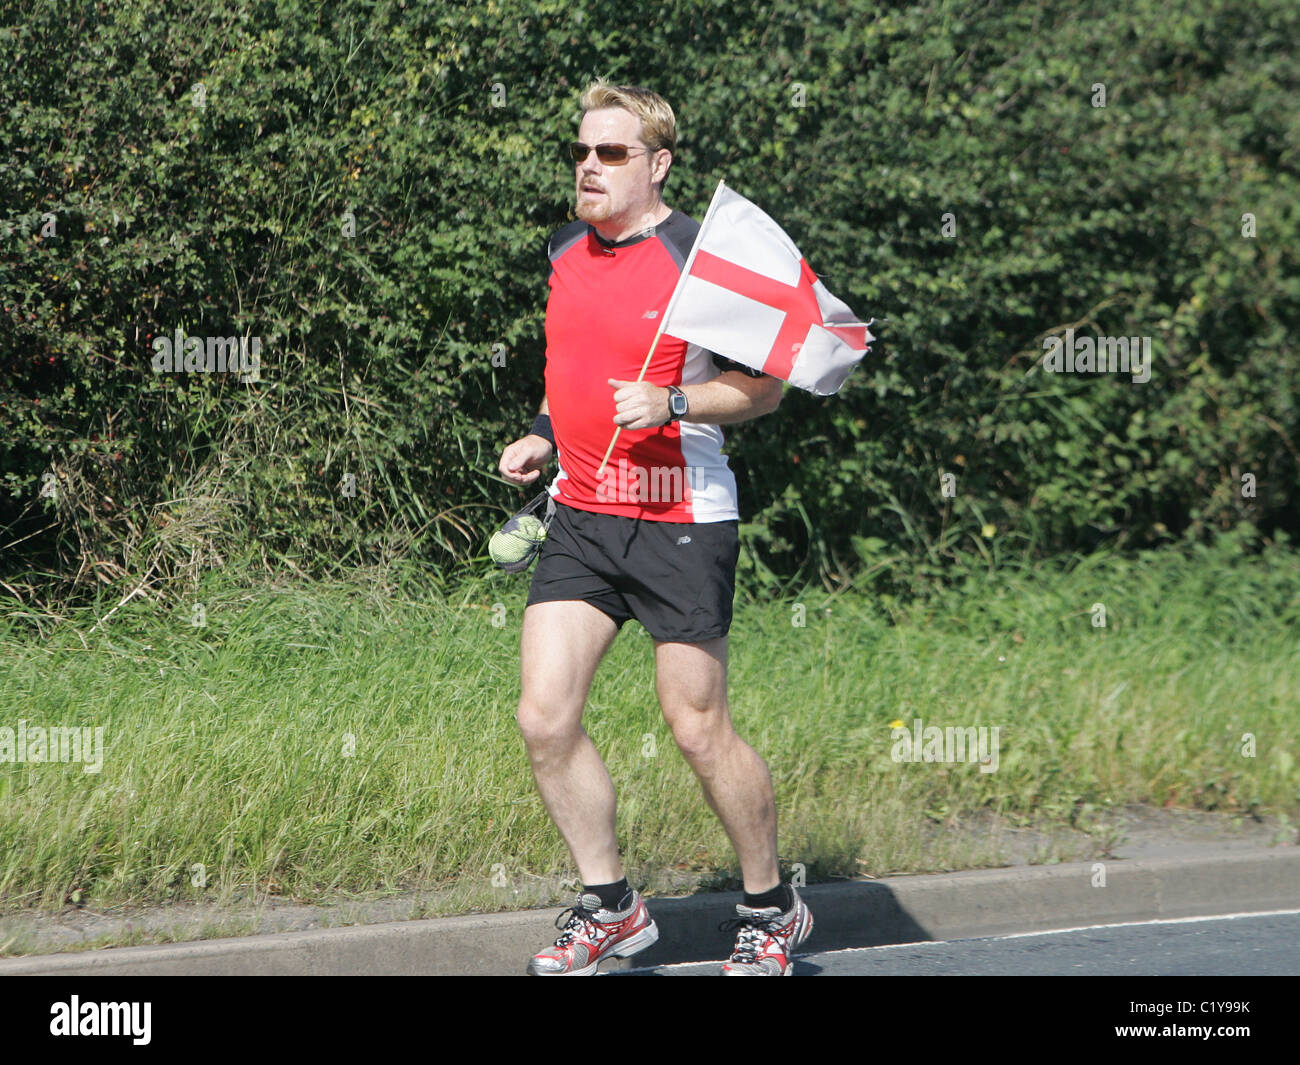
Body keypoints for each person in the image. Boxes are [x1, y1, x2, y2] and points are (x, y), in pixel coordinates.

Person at [497, 80, 812, 976]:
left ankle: (770, 908)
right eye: (583, 152)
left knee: (696, 727)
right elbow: (575, 367)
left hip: (681, 516)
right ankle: (612, 907)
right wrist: (546, 433)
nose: (590, 168)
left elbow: (767, 385)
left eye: (613, 154)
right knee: (545, 718)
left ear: (657, 164)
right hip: (584, 514)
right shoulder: (564, 250)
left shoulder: (697, 258)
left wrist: (673, 399)